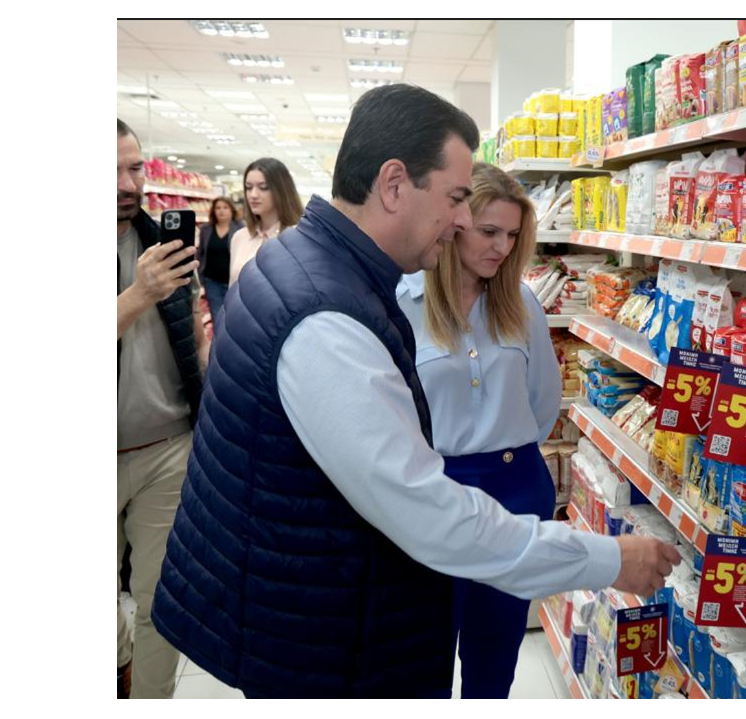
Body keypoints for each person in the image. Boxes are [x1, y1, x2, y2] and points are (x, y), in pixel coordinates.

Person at [151, 84, 679, 699]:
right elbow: (430, 515)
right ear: (395, 184)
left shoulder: (301, 267)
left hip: (309, 609)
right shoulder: (326, 317)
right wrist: (608, 559)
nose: (463, 221)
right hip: (320, 641)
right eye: (456, 198)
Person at [395, 163, 558, 698]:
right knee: (422, 650)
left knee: (496, 650)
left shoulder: (522, 303)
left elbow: (542, 402)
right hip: (433, 491)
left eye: (513, 236)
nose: (502, 248)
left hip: (515, 487)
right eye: (490, 232)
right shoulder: (402, 303)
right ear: (455, 222)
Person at [116, 119, 207, 699]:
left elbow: (190, 342)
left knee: (159, 602)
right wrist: (136, 295)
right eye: (109, 171)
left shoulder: (160, 241)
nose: (127, 184)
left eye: (134, 168)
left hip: (168, 447)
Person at [227, 157, 302, 285]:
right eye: (248, 187)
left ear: (282, 191)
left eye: (263, 187)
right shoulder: (240, 237)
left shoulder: (298, 238)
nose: (253, 195)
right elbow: (232, 287)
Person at [196, 196, 243, 332]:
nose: (221, 211)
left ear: (231, 210)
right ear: (213, 211)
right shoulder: (206, 229)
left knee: (234, 317)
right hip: (212, 282)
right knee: (218, 318)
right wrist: (200, 276)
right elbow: (201, 253)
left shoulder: (240, 228)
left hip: (234, 283)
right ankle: (220, 349)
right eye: (218, 208)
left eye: (225, 207)